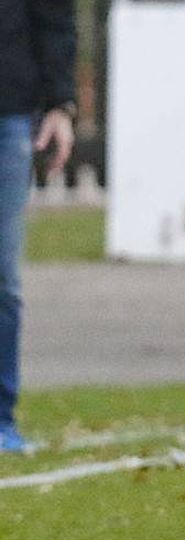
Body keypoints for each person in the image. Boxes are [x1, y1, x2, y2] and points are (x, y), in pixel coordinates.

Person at [1, 0, 77, 453]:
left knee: (3, 280)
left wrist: (60, 103)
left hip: (9, 106)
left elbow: (54, 14)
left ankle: (1, 418)